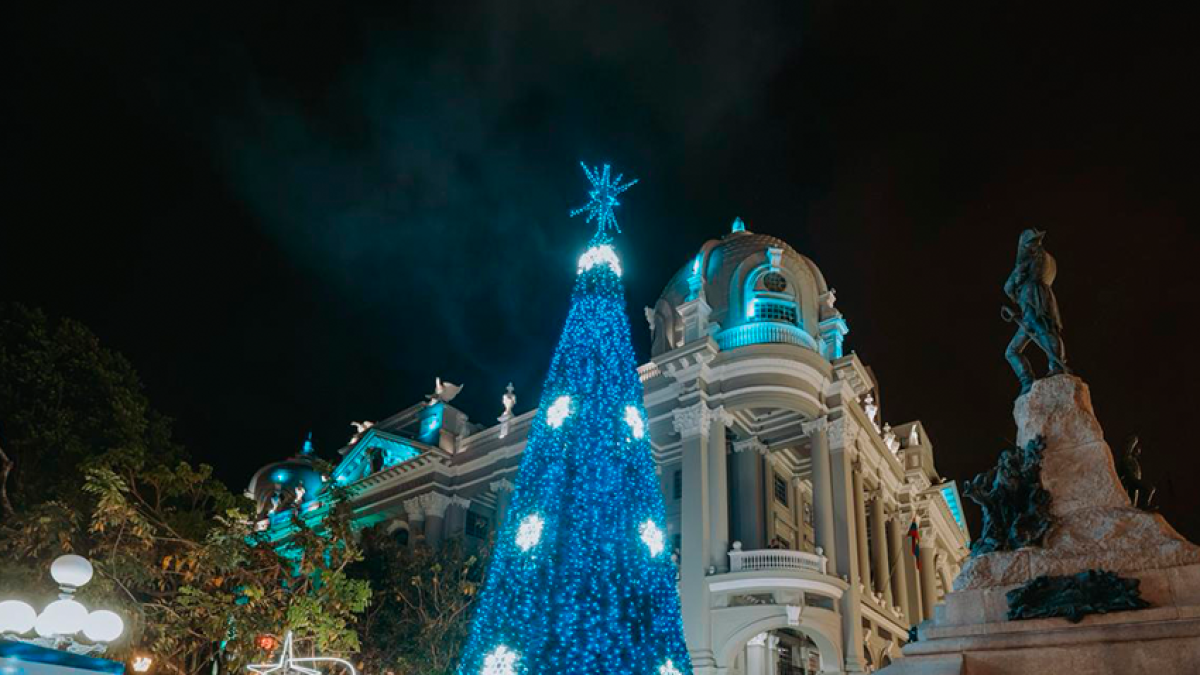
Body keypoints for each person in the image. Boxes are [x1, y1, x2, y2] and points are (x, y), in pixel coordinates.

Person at [1004, 228, 1069, 394]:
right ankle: (1029, 380)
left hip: (1034, 306)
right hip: (1037, 306)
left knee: (1043, 333)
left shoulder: (1028, 263)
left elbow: (1008, 287)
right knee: (1014, 350)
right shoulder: (1048, 261)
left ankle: (1055, 367)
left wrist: (1016, 291)